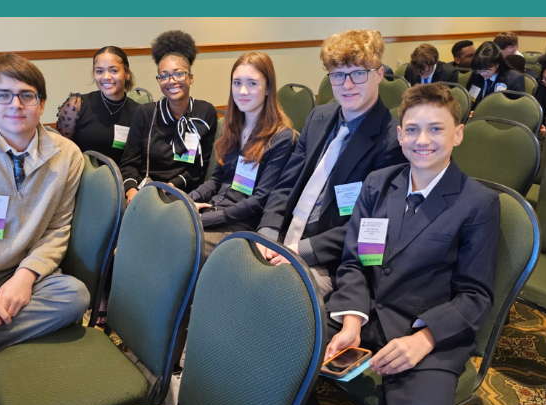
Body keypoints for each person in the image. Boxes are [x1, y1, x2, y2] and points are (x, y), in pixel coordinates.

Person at [294, 81, 498, 405]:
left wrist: (422, 340)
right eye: (412, 130)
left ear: (458, 134)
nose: (422, 140)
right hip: (368, 318)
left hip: (428, 336)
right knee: (278, 354)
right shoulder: (378, 184)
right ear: (400, 135)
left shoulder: (477, 204)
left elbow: (475, 296)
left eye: (435, 129)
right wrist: (351, 319)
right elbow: (355, 262)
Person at [0, 53, 90, 385]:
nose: (16, 104)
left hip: (19, 277)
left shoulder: (67, 156)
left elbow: (58, 227)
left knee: (74, 296)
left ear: (42, 104)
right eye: (3, 95)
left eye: (27, 95)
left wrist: (26, 275)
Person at [255, 30, 407, 297]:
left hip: (333, 262)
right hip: (281, 241)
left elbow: (371, 225)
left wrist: (300, 252)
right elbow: (285, 184)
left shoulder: (392, 140)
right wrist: (268, 231)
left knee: (269, 296)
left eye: (358, 73)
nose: (347, 85)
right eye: (338, 75)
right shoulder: (319, 117)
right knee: (230, 272)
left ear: (379, 74)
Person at [186, 52, 296, 255]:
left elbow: (259, 200)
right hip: (215, 210)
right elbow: (216, 180)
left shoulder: (281, 138)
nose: (242, 91)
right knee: (165, 229)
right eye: (237, 83)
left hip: (241, 224)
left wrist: (207, 218)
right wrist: (189, 201)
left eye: (252, 83)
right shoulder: (232, 126)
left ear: (268, 88)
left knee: (184, 246)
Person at [119, 31, 218, 201]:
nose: (171, 81)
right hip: (145, 189)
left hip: (184, 192)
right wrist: (131, 192)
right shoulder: (145, 113)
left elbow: (199, 168)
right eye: (163, 76)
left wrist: (170, 187)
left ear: (191, 78)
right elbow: (129, 163)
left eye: (178, 73)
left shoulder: (204, 112)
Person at [53, 47, 136, 162]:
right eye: (99, 71)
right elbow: (63, 153)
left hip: (124, 177)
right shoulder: (76, 106)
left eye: (114, 71)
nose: (106, 77)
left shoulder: (139, 112)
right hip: (84, 177)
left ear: (127, 74)